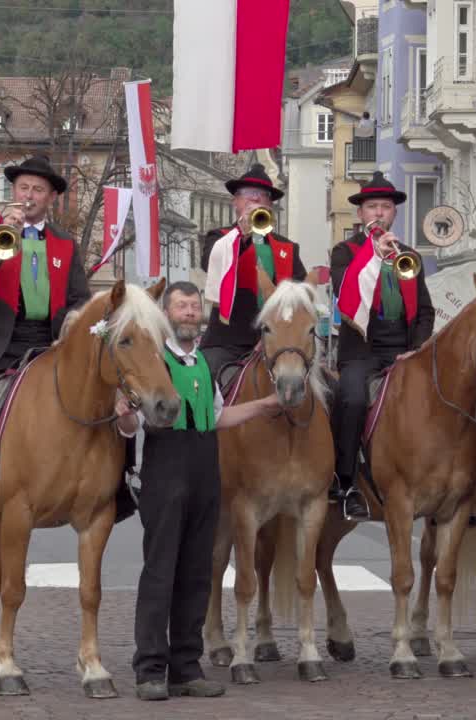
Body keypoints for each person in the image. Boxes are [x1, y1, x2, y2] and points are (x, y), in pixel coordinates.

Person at [114, 282, 280, 702]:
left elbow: (219, 416)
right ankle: (150, 668)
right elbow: (131, 424)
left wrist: (263, 406)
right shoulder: (155, 361)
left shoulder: (202, 363)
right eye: (181, 307)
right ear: (166, 315)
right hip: (165, 467)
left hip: (206, 467)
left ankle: (186, 667)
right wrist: (125, 416)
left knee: (197, 573)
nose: (189, 313)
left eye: (194, 307)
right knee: (160, 571)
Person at [0, 155, 91, 528]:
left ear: (50, 198)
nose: (29, 196)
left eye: (38, 190)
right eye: (23, 188)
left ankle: (117, 483)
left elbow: (80, 297)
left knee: (100, 390)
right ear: (13, 192)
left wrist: (70, 329)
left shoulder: (65, 243)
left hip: (48, 340)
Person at [329, 172, 435, 520]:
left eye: (385, 207)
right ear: (360, 215)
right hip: (361, 350)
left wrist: (415, 348)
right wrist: (374, 255)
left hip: (402, 348)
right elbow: (346, 293)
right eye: (372, 207)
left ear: (394, 214)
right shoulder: (345, 252)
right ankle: (344, 483)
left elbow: (424, 310)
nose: (378, 213)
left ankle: (445, 482)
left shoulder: (408, 256)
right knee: (352, 399)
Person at [199, 164, 306, 379]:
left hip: (275, 342)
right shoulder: (219, 237)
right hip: (226, 341)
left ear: (270, 205)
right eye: (248, 195)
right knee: (204, 378)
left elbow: (299, 291)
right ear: (235, 202)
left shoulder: (287, 247)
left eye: (262, 196)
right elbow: (209, 264)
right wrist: (242, 233)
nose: (255, 200)